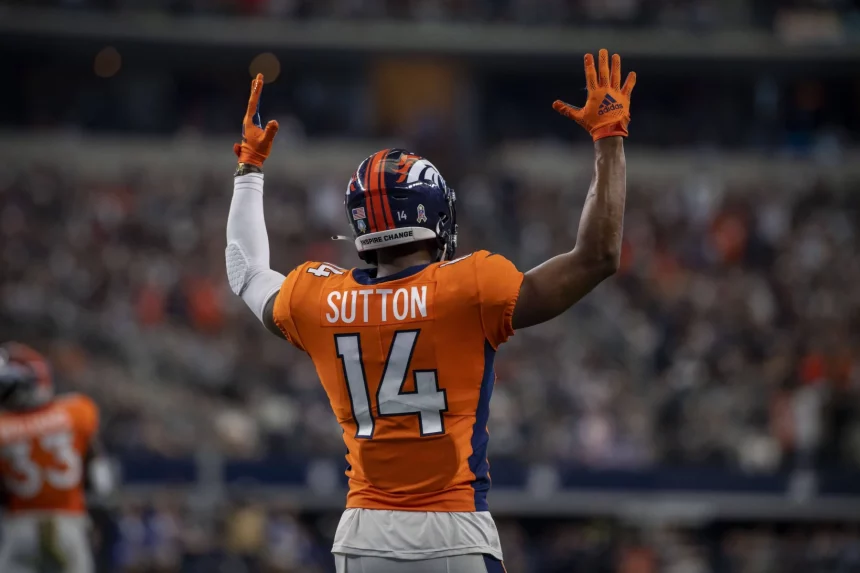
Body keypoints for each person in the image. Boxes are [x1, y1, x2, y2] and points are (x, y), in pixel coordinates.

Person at [226, 49, 635, 573]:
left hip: (363, 534)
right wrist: (609, 141)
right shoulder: (470, 285)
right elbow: (597, 257)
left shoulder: (318, 297)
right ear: (435, 215)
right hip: (452, 532)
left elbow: (244, 270)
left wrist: (249, 169)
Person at [0, 343, 114, 573]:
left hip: (20, 526)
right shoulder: (76, 411)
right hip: (68, 525)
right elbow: (101, 482)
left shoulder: (4, 427)